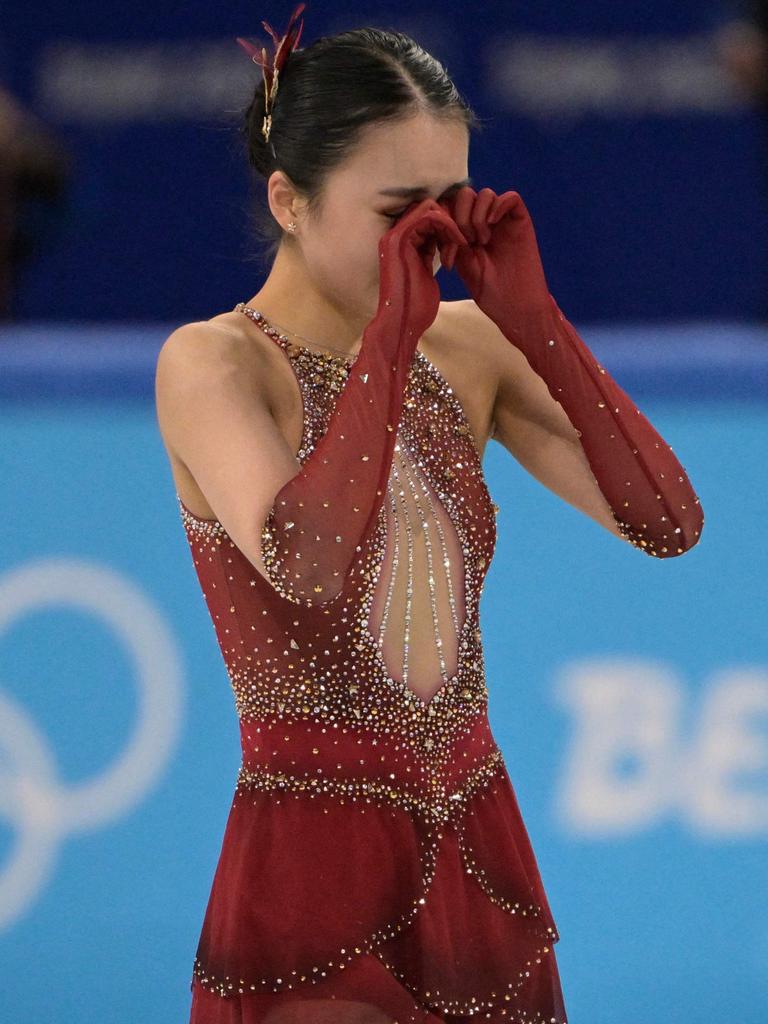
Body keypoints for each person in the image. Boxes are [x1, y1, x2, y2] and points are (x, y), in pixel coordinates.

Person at [154, 6, 704, 1022]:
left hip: (475, 838)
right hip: (312, 852)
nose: (434, 240)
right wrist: (389, 345)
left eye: (449, 206)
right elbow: (307, 563)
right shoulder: (215, 363)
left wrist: (534, 322)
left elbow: (666, 521)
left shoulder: (470, 348)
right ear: (290, 199)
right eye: (398, 210)